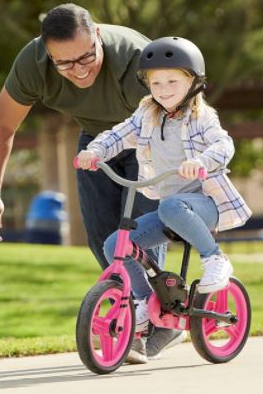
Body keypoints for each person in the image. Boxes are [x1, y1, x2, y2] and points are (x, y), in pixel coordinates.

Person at [76, 36, 252, 363]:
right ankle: (143, 302)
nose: (163, 88)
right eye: (156, 82)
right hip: (170, 210)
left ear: (193, 82)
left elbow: (223, 144)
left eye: (173, 80)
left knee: (172, 206)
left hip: (205, 205)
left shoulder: (201, 117)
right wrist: (94, 151)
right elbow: (119, 134)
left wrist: (202, 163)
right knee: (116, 244)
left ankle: (214, 259)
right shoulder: (147, 113)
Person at [0, 3, 161, 268]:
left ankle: (152, 305)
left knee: (139, 240)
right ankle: (124, 305)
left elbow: (183, 121)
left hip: (150, 141)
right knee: (104, 242)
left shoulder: (139, 62)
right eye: (63, 63)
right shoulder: (34, 64)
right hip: (96, 142)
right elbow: (2, 126)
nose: (79, 70)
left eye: (86, 57)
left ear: (97, 35)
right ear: (48, 53)